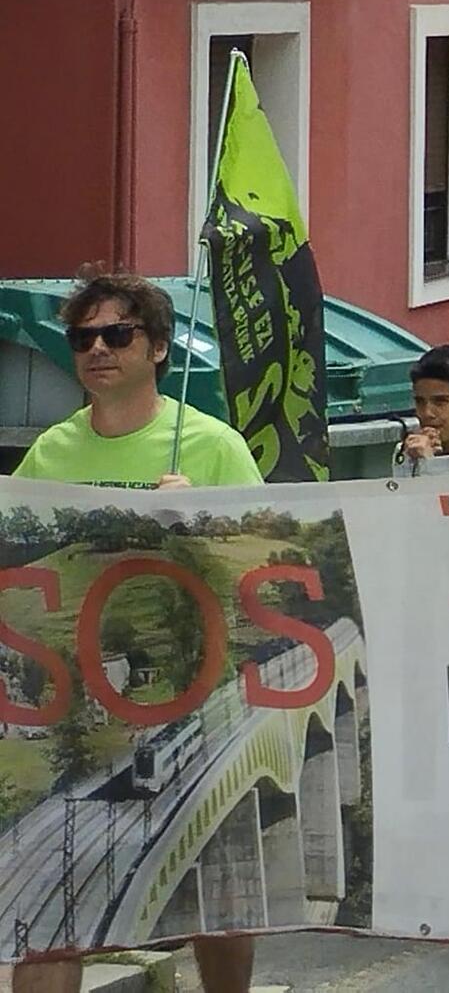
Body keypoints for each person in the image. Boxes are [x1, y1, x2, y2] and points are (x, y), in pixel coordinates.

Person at [11, 273, 262, 993]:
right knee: (48, 911)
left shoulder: (213, 447)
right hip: (77, 710)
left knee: (219, 904)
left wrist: (204, 517)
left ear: (157, 347)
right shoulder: (50, 452)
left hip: (197, 705)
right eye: (83, 336)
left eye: (116, 334)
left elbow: (265, 566)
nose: (97, 348)